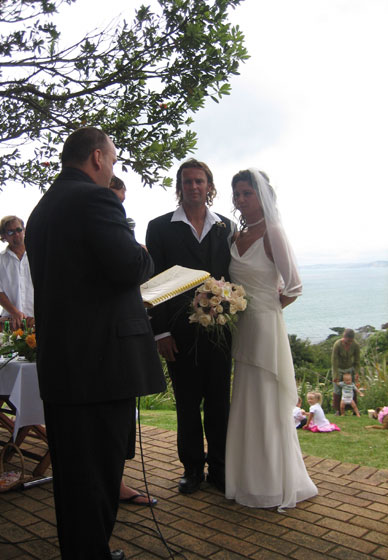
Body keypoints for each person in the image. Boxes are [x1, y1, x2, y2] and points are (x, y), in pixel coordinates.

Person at [25, 127, 166, 560]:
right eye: (114, 159)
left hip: (64, 363)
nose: (113, 169)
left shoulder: (42, 210)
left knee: (73, 475)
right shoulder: (95, 199)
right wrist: (140, 250)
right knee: (99, 474)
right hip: (101, 365)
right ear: (98, 158)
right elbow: (130, 265)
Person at [225, 168, 318, 510]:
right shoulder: (235, 236)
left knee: (266, 401)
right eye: (237, 194)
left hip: (265, 325)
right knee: (247, 400)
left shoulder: (273, 232)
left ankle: (273, 483)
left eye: (247, 193)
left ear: (262, 195)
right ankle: (248, 479)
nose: (241, 199)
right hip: (241, 327)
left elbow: (294, 285)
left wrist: (268, 307)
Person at [146, 158, 234, 494]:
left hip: (220, 331)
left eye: (199, 181)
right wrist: (161, 332)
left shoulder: (225, 227)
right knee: (186, 403)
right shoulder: (159, 227)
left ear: (209, 187)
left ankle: (220, 469)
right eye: (187, 182)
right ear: (179, 187)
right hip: (177, 333)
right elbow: (153, 284)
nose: (193, 187)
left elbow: (233, 278)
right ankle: (192, 469)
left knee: (218, 404)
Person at [109, 175, 156, 507]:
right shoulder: (102, 222)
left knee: (123, 417)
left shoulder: (119, 226)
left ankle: (116, 480)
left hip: (122, 327)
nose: (119, 208)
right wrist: (142, 255)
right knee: (112, 419)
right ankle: (112, 484)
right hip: (109, 335)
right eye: (115, 200)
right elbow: (132, 268)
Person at [0, 215, 34, 341]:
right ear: (3, 236)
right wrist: (15, 312)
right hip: (10, 323)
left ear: (24, 231)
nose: (16, 234)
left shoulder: (37, 256)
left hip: (36, 321)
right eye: (10, 232)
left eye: (18, 230)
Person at [332, 329, 360, 415]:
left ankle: (354, 410)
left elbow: (357, 360)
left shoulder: (355, 345)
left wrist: (356, 372)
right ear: (344, 338)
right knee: (337, 389)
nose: (349, 343)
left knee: (352, 387)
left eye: (351, 341)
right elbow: (334, 361)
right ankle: (339, 410)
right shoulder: (337, 344)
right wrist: (336, 375)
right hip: (339, 369)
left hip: (350, 368)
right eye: (347, 341)